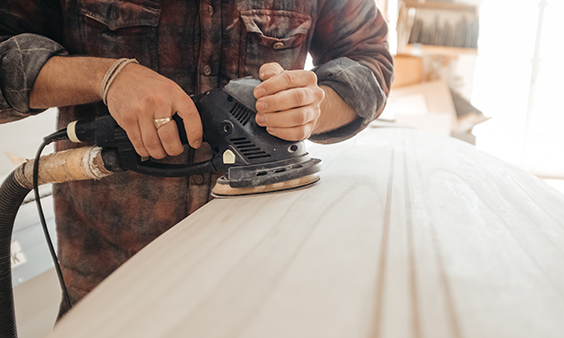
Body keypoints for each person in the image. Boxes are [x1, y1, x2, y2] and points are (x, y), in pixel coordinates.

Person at [0, 0, 393, 315]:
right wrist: (106, 77)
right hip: (113, 283)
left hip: (262, 279)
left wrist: (312, 109)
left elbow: (370, 59)